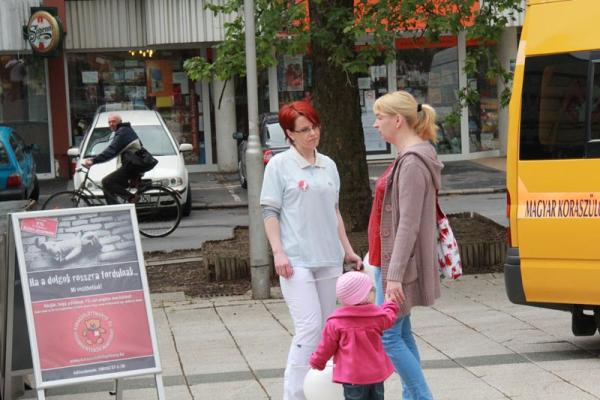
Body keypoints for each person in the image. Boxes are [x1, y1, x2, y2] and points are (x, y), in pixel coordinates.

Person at [260, 100, 362, 400]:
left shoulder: (328, 164)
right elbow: (269, 211)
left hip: (329, 257)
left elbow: (334, 211)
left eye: (315, 126)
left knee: (329, 328)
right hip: (296, 260)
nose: (312, 133)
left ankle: (323, 391)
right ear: (289, 134)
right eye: (304, 129)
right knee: (309, 327)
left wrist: (347, 250)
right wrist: (278, 252)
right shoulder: (279, 165)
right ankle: (294, 394)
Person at [369, 91, 443, 400]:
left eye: (379, 118)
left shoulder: (412, 162)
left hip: (394, 268)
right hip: (386, 262)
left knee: (388, 337)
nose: (375, 124)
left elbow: (408, 225)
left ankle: (422, 397)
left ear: (398, 120)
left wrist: (394, 276)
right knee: (400, 332)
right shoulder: (409, 156)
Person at [309, 271, 399, 400]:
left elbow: (326, 347)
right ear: (365, 296)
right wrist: (390, 303)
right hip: (376, 375)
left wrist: (317, 362)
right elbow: (390, 317)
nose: (374, 292)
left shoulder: (335, 322)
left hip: (352, 377)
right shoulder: (377, 316)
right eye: (371, 290)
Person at [82, 114, 144, 204]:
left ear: (120, 122)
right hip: (132, 165)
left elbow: (111, 150)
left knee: (106, 181)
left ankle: (131, 198)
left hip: (133, 166)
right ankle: (115, 208)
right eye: (109, 122)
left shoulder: (123, 132)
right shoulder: (123, 130)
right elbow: (113, 150)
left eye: (113, 121)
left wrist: (93, 160)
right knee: (108, 185)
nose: (111, 124)